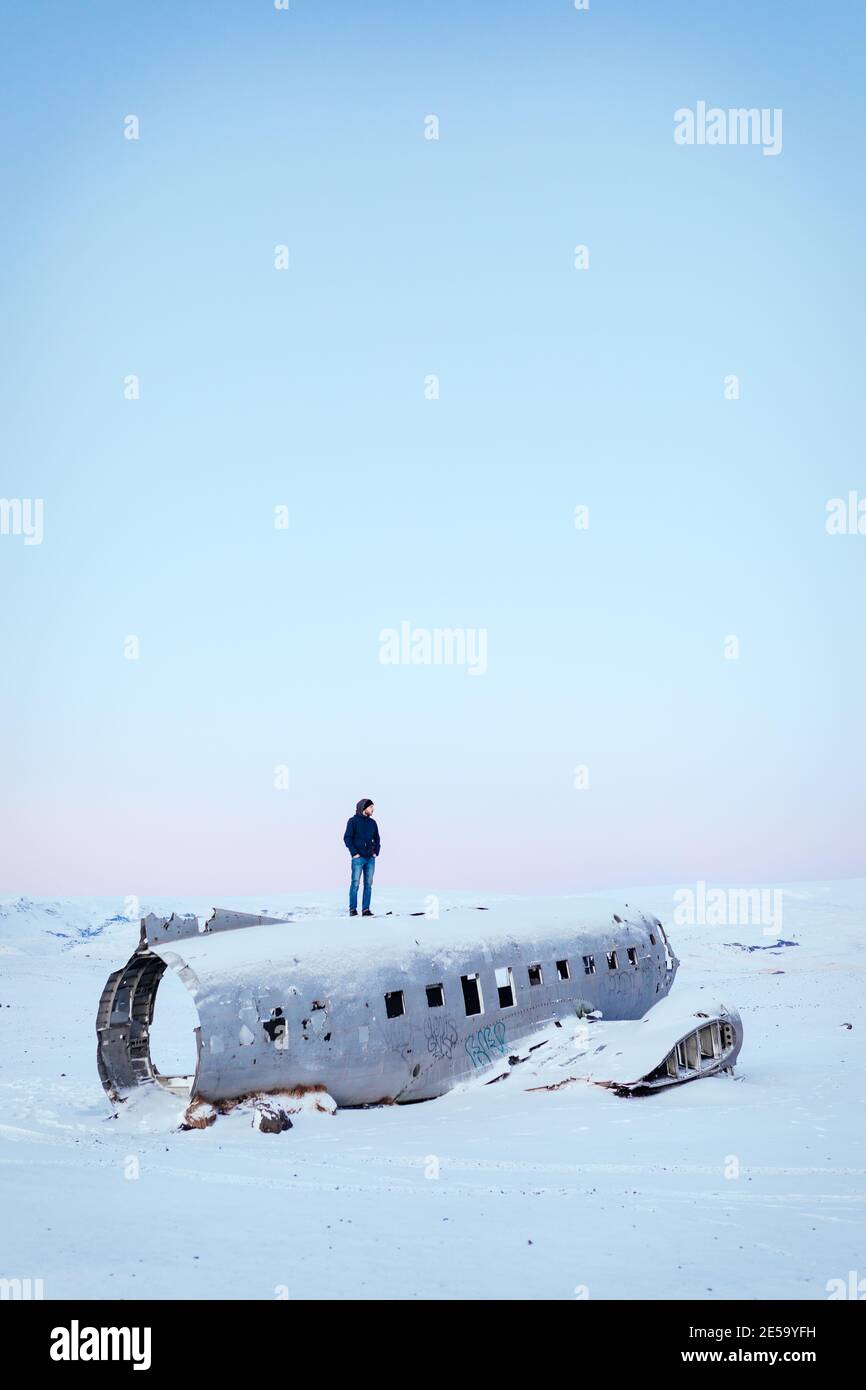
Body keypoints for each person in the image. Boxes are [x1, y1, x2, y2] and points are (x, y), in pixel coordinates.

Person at [343, 798, 380, 916]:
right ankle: (353, 909)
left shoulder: (372, 823)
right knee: (355, 883)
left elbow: (377, 838)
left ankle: (366, 910)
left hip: (370, 858)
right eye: (371, 807)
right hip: (358, 858)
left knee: (368, 884)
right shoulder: (353, 821)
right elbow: (347, 838)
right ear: (364, 808)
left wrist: (376, 852)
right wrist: (354, 853)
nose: (373, 810)